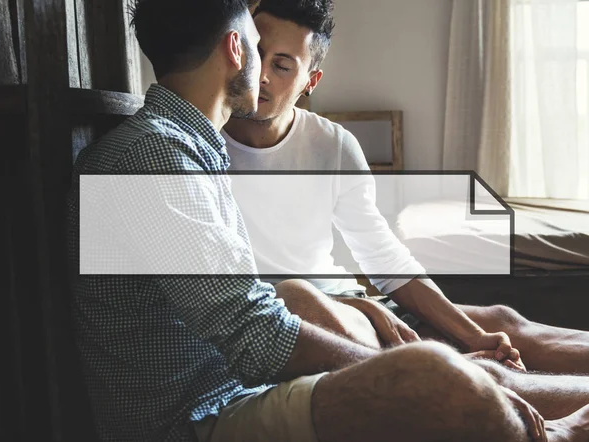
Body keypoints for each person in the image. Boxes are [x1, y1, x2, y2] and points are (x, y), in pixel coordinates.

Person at [66, 0, 589, 441]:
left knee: (471, 343)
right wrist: (396, 364)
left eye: (285, 63)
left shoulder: (180, 148)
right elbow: (255, 332)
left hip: (227, 384)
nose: (265, 69)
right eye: (256, 43)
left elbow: (248, 314)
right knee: (439, 372)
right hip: (200, 413)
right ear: (235, 49)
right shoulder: (155, 158)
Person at [223, 0, 589, 377]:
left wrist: (475, 335)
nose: (260, 74)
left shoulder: (332, 144)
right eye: (255, 53)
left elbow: (383, 257)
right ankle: (459, 372)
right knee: (311, 303)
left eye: (282, 66)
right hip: (299, 315)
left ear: (310, 82)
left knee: (502, 322)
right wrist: (357, 308)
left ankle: (467, 358)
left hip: (350, 303)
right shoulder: (199, 143)